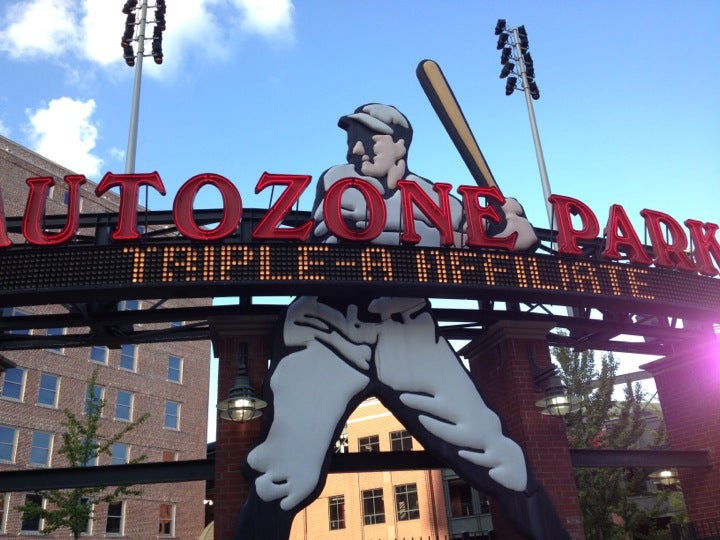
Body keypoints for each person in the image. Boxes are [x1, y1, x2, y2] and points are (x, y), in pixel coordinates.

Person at [234, 104, 569, 540]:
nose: (355, 149)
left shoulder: (440, 199)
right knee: (285, 471)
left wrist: (514, 228)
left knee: (498, 457)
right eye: (351, 139)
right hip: (328, 329)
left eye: (367, 139)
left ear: (399, 145)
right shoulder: (340, 181)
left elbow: (514, 242)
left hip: (407, 327)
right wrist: (473, 235)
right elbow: (366, 226)